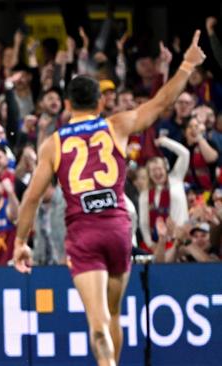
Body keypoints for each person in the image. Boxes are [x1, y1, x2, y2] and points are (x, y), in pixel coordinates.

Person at [13, 31, 206, 366]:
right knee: (114, 313)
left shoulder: (54, 144)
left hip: (84, 233)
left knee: (98, 320)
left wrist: (19, 242)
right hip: (118, 228)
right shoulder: (116, 125)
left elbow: (31, 199)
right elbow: (161, 103)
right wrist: (187, 64)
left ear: (69, 105)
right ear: (100, 103)